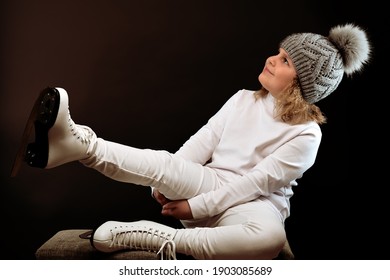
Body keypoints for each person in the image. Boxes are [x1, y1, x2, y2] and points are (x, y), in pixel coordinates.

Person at [12, 23, 371, 260]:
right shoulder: (244, 99)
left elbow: (256, 183)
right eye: (278, 52)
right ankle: (79, 146)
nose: (271, 59)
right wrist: (164, 183)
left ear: (302, 84)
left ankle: (153, 238)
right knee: (166, 163)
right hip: (207, 186)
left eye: (285, 60)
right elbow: (201, 144)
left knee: (270, 237)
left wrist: (196, 209)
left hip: (250, 207)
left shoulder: (307, 134)